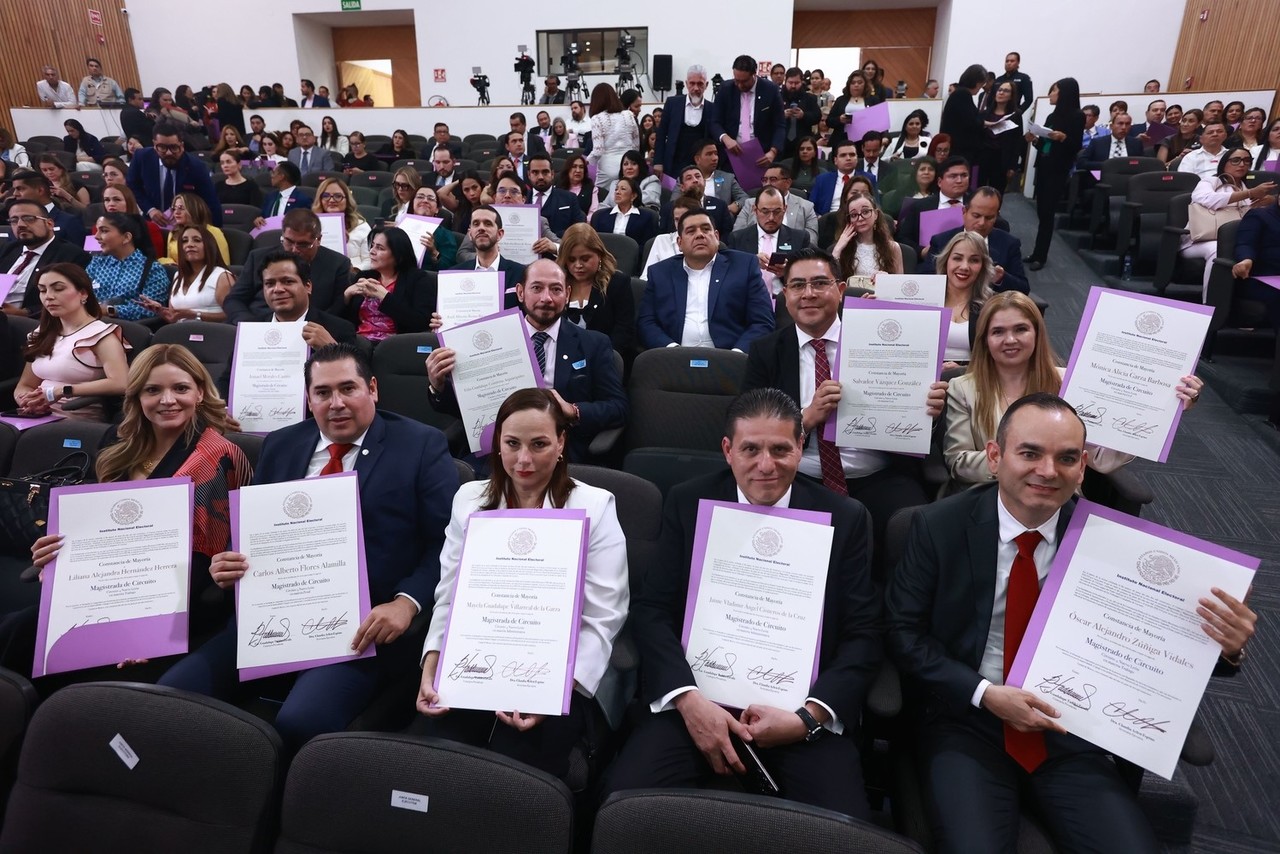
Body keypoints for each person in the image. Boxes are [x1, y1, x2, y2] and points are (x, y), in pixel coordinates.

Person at [886, 392, 1253, 854]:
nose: (1047, 471)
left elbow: (1164, 646)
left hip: (1071, 726)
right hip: (968, 720)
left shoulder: (1115, 543)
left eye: (1066, 458)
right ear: (995, 457)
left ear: (1082, 468)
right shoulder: (937, 526)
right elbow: (903, 635)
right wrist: (985, 693)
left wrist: (1227, 647)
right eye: (1030, 453)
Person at [158, 342, 457, 750]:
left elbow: (445, 542)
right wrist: (226, 562)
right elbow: (251, 534)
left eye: (348, 388)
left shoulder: (420, 445)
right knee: (170, 697)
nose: (336, 403)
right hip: (269, 620)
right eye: (323, 392)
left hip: (359, 629)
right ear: (308, 398)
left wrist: (406, 603)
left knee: (301, 723)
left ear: (372, 389)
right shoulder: (281, 445)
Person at [601, 387, 881, 818]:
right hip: (697, 706)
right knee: (620, 810)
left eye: (780, 449)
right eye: (751, 449)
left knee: (845, 830)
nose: (766, 465)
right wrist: (689, 701)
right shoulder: (688, 502)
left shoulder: (845, 518)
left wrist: (807, 718)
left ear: (800, 446)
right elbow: (652, 611)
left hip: (797, 717)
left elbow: (863, 635)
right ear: (727, 450)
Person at [5, 343, 253, 683]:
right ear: (137, 396)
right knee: (20, 631)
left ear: (199, 393)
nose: (167, 400)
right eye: (153, 390)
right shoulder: (118, 440)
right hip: (105, 586)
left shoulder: (218, 456)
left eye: (180, 388)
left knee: (52, 652)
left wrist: (145, 631)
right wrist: (57, 560)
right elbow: (96, 529)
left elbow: (203, 560)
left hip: (176, 603)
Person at [414, 387, 627, 778]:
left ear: (561, 443)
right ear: (498, 443)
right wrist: (433, 665)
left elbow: (603, 616)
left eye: (539, 444)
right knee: (438, 764)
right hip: (475, 663)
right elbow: (450, 596)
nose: (523, 459)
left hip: (558, 672)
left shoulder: (594, 507)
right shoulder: (469, 501)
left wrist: (552, 692)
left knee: (513, 775)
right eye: (512, 444)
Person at [741, 250, 944, 560]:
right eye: (797, 285)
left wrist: (928, 413)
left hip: (879, 474)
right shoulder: (766, 351)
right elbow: (748, 425)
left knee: (914, 529)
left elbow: (920, 431)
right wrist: (806, 418)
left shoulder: (881, 341)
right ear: (785, 295)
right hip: (799, 476)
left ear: (840, 290)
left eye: (819, 283)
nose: (808, 293)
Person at [943, 291, 1204, 489]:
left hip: (1057, 500)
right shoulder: (963, 388)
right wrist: (1019, 464)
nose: (1010, 340)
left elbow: (1101, 460)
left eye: (1021, 329)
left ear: (1037, 334)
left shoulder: (1070, 382)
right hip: (994, 497)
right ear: (985, 340)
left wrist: (1164, 409)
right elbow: (958, 463)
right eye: (998, 332)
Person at [427, 260, 628, 463]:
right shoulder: (490, 339)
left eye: (556, 289)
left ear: (567, 294)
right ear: (520, 292)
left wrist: (573, 410)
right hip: (497, 450)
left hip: (560, 454)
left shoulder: (594, 344)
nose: (546, 298)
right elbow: (470, 409)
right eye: (537, 288)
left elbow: (618, 408)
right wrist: (438, 386)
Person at [638, 209, 774, 350]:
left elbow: (762, 321)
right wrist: (671, 350)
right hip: (675, 357)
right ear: (679, 243)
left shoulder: (744, 266)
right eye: (691, 231)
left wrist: (737, 354)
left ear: (716, 236)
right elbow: (647, 322)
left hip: (730, 356)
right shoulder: (660, 273)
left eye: (706, 229)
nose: (699, 235)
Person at [13, 263, 129, 421]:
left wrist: (62, 391)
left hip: (74, 421)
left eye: (58, 289)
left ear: (83, 293)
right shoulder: (42, 333)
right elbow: (25, 385)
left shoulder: (101, 334)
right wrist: (26, 401)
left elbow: (121, 383)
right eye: (43, 290)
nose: (49, 296)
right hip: (35, 417)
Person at [225, 210, 352, 323]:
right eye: (289, 242)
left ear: (318, 240)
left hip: (310, 329)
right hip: (258, 324)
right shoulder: (258, 258)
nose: (294, 250)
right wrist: (249, 325)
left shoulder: (338, 264)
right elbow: (234, 300)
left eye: (303, 245)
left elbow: (337, 311)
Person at [1181, 147, 1275, 299]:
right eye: (1236, 160)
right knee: (1218, 250)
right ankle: (1211, 302)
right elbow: (1208, 200)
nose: (1242, 164)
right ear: (1224, 163)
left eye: (1246, 161)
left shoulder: (1246, 187)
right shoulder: (1210, 181)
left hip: (1234, 239)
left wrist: (1269, 202)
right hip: (1200, 240)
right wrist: (1249, 193)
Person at [920, 187, 1028, 294]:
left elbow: (1023, 289)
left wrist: (1000, 278)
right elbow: (925, 281)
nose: (982, 223)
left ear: (996, 216)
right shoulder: (941, 241)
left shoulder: (1009, 244)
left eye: (989, 218)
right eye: (976, 216)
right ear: (964, 211)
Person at [1024, 78, 1083, 271]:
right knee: (1041, 211)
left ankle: (1041, 255)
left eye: (1054, 90)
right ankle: (1036, 252)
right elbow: (1045, 143)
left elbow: (1076, 146)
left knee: (1047, 213)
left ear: (1064, 93)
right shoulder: (1052, 115)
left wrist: (1063, 138)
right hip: (1044, 165)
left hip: (1057, 170)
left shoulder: (1077, 116)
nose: (1050, 94)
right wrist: (1034, 139)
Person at [557, 222, 637, 357]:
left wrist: (601, 358)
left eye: (585, 259)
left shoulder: (617, 283)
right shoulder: (557, 286)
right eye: (571, 260)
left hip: (606, 358)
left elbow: (624, 330)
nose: (578, 265)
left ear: (599, 254)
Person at [341, 226, 435, 342]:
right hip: (358, 341)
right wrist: (346, 295)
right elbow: (344, 321)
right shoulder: (365, 276)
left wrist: (384, 296)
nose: (372, 251)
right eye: (372, 246)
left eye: (380, 248)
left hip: (395, 344)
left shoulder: (418, 279)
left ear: (398, 255)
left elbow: (420, 322)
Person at [0, 199, 91, 315]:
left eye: (29, 219)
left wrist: (24, 312)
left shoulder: (71, 255)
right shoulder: (7, 249)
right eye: (14, 220)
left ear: (49, 224)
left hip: (29, 320)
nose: (20, 225)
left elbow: (71, 298)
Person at [127, 122, 223, 229]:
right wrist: (150, 209)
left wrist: (215, 232)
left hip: (185, 227)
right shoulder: (141, 158)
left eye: (173, 147)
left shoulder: (196, 167)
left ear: (182, 145)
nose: (168, 153)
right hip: (151, 223)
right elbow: (132, 185)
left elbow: (211, 203)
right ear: (154, 145)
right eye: (162, 147)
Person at [727, 187, 811, 298]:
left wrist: (788, 273)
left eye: (777, 211)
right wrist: (751, 264)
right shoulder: (737, 238)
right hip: (749, 299)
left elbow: (809, 275)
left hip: (786, 300)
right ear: (755, 210)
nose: (771, 218)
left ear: (785, 209)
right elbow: (730, 275)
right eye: (765, 211)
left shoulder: (800, 238)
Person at [86, 212, 171, 321]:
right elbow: (80, 292)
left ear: (126, 237)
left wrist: (109, 310)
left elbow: (152, 310)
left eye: (104, 231)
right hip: (92, 323)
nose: (96, 236)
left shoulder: (152, 269)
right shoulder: (97, 263)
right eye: (97, 230)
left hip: (129, 327)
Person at [141, 224, 232, 324]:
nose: (190, 244)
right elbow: (174, 318)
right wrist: (162, 311)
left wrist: (196, 315)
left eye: (197, 240)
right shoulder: (178, 275)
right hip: (181, 331)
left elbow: (232, 315)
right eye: (184, 241)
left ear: (209, 245)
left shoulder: (222, 276)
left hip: (210, 332)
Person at [934, 231, 996, 368]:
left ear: (983, 266)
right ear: (946, 261)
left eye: (974, 260)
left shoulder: (992, 306)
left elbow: (996, 360)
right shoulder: (925, 297)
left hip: (973, 376)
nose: (964, 267)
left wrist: (962, 372)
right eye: (957, 258)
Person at [896, 156, 972, 254]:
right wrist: (921, 251)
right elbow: (903, 238)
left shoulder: (975, 205)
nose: (959, 181)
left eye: (964, 175)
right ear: (940, 182)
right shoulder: (920, 206)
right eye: (953, 176)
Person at [733, 165, 819, 244]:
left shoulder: (806, 207)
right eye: (764, 180)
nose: (767, 184)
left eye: (773, 179)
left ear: (788, 183)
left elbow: (811, 241)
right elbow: (737, 236)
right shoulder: (750, 203)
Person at [653, 66, 711, 179]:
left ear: (706, 85)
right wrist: (658, 161)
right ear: (686, 84)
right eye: (692, 83)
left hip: (700, 166)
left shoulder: (712, 108)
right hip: (673, 163)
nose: (696, 88)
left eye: (700, 84)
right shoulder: (672, 103)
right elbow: (661, 134)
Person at [830, 191, 901, 280]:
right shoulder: (842, 248)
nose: (860, 218)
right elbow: (831, 282)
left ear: (876, 214)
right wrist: (837, 250)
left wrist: (886, 279)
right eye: (854, 215)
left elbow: (900, 285)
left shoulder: (893, 247)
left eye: (865, 212)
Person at [448, 205, 526, 283]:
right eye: (476, 224)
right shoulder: (454, 275)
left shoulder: (520, 273)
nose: (481, 228)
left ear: (499, 234)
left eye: (488, 224)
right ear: (470, 234)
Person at [587, 83, 640, 192]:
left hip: (608, 168)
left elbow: (598, 151)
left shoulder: (597, 119)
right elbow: (636, 146)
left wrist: (586, 162)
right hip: (628, 166)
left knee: (600, 197)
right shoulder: (629, 115)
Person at [313, 177, 371, 271]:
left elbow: (369, 260)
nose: (331, 200)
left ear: (347, 199)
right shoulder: (311, 225)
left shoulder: (361, 226)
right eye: (326, 195)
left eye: (338, 196)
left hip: (353, 276)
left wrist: (355, 270)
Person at [941, 64, 989, 170]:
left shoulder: (959, 93)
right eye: (981, 84)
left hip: (959, 147)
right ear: (977, 82)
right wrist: (984, 123)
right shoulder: (963, 94)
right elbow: (970, 121)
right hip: (961, 149)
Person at [527, 153, 588, 236]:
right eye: (535, 172)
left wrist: (555, 241)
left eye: (545, 172)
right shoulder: (521, 199)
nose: (540, 177)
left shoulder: (569, 198)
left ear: (552, 174)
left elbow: (579, 230)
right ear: (529, 175)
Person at [590, 176, 659, 246]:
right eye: (616, 189)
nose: (617, 192)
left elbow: (647, 246)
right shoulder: (600, 216)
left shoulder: (647, 217)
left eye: (623, 189)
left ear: (633, 196)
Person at [165, 192, 230, 266]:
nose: (176, 212)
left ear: (194, 209)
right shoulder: (173, 233)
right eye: (174, 209)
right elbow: (170, 259)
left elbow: (224, 263)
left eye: (181, 208)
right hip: (179, 271)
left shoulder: (213, 232)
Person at [100, 183, 164, 258]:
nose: (111, 204)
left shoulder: (150, 227)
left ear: (128, 202)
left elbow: (156, 258)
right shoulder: (98, 228)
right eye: (107, 200)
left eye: (117, 199)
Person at [643, 194, 698, 278]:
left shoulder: (703, 241)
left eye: (684, 218)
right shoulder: (661, 240)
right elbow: (646, 276)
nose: (680, 224)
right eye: (677, 219)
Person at [407, 186, 458, 272]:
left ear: (437, 209)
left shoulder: (445, 235)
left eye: (430, 199)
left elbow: (449, 268)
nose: (425, 200)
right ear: (412, 204)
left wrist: (433, 252)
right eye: (420, 197)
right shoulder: (400, 229)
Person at [826, 70, 880, 150]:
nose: (856, 85)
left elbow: (880, 121)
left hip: (864, 140)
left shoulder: (873, 100)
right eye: (853, 83)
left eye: (859, 82)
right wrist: (839, 119)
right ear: (849, 85)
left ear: (865, 84)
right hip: (842, 139)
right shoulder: (841, 100)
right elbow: (829, 121)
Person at [692, 139, 748, 214]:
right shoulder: (686, 178)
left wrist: (736, 205)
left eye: (716, 154)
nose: (715, 158)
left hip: (721, 218)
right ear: (697, 159)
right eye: (709, 154)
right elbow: (676, 202)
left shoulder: (727, 178)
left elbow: (744, 198)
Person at [810, 139, 862, 216]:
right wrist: (819, 218)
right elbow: (811, 207)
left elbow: (875, 205)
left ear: (857, 158)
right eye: (843, 155)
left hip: (858, 218)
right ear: (835, 160)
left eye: (852, 155)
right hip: (830, 219)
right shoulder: (822, 180)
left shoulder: (867, 179)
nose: (848, 158)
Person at [780, 67, 822, 161]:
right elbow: (768, 118)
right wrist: (781, 115)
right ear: (785, 81)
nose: (793, 86)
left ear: (802, 82)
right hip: (781, 143)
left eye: (796, 83)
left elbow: (817, 116)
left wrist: (804, 115)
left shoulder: (809, 98)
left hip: (803, 144)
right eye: (790, 82)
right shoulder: (777, 97)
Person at [256, 161, 313, 226]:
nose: (271, 176)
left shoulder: (302, 200)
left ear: (281, 176)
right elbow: (263, 217)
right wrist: (259, 220)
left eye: (273, 173)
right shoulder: (270, 197)